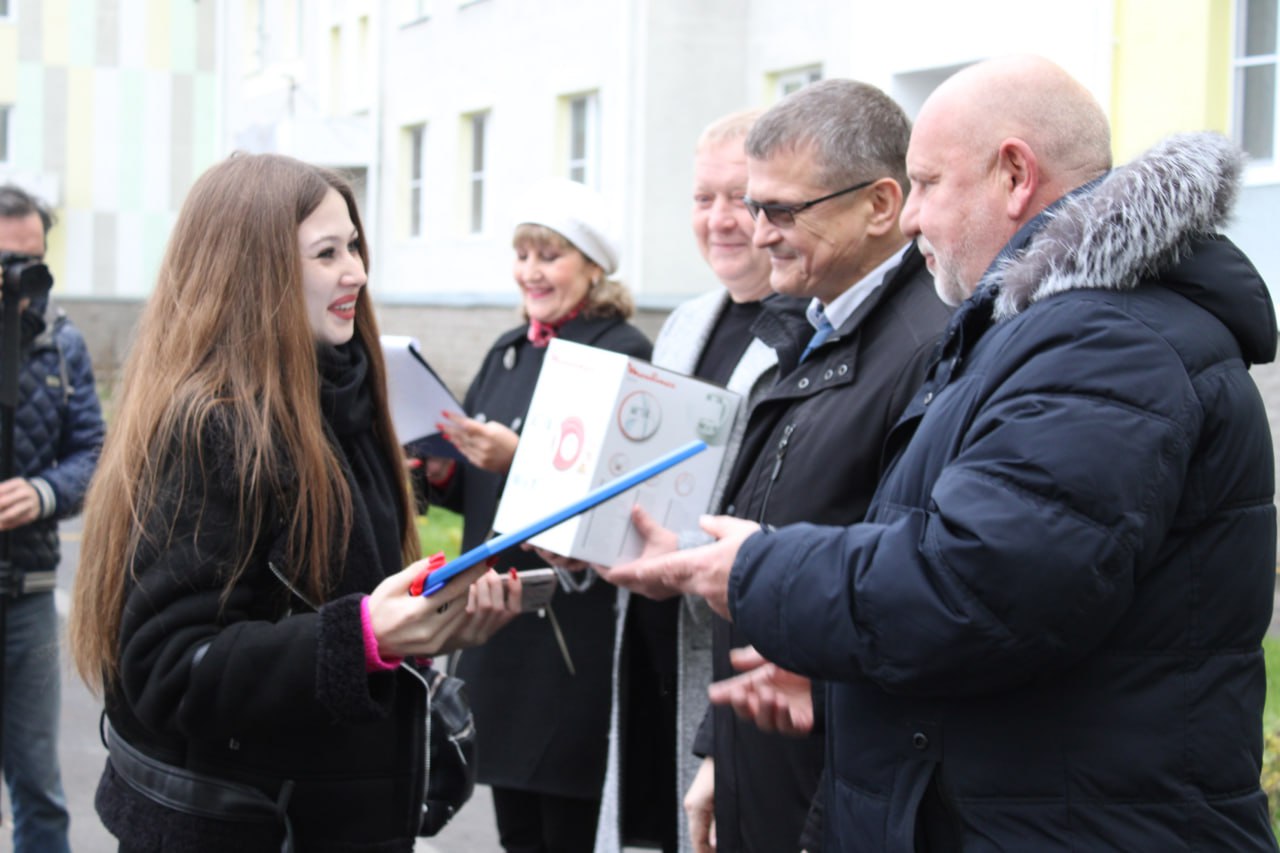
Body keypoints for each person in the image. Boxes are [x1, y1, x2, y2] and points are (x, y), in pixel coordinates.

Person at [611, 55, 1279, 850]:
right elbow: (1031, 620)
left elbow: (983, 587)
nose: (909, 218)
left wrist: (757, 570)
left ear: (1014, 175)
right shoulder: (1049, 331)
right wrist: (839, 684)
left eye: (926, 184)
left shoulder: (1107, 342)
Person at [68, 153, 517, 853]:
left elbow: (342, 602)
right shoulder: (215, 426)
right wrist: (364, 636)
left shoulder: (346, 394)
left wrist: (427, 625)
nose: (358, 272)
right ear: (256, 269)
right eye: (327, 252)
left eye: (356, 246)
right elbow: (164, 667)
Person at [604, 80, 951, 853]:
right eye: (744, 206)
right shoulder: (822, 331)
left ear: (880, 204)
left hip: (837, 784)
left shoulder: (930, 348)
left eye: (779, 210)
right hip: (772, 757)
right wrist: (721, 747)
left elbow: (922, 593)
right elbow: (787, 543)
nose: (757, 234)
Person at [419, 178, 651, 853]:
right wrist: (445, 474)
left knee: (566, 829)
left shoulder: (621, 351)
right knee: (517, 830)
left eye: (549, 255)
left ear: (592, 264)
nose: (531, 271)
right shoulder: (508, 349)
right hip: (498, 628)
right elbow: (483, 495)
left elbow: (617, 495)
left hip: (568, 638)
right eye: (523, 254)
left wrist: (517, 458)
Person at [591, 108, 792, 853]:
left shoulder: (805, 329)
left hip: (730, 651)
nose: (720, 219)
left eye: (739, 197)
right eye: (703, 198)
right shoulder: (684, 322)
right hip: (648, 634)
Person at [0, 185, 105, 852]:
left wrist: (42, 492)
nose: (22, 278)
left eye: (34, 260)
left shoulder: (61, 343)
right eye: (7, 260)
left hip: (30, 598)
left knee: (40, 789)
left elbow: (94, 450)